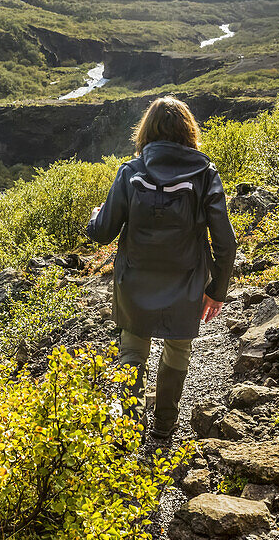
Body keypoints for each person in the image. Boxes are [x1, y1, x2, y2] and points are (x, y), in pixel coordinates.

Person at [86, 96, 237, 444]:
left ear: (147, 131)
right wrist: (217, 291)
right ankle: (163, 429)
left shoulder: (130, 172)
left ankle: (126, 428)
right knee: (178, 350)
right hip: (186, 281)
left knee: (132, 351)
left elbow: (103, 231)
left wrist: (95, 215)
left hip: (134, 281)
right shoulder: (205, 173)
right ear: (189, 132)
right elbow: (225, 242)